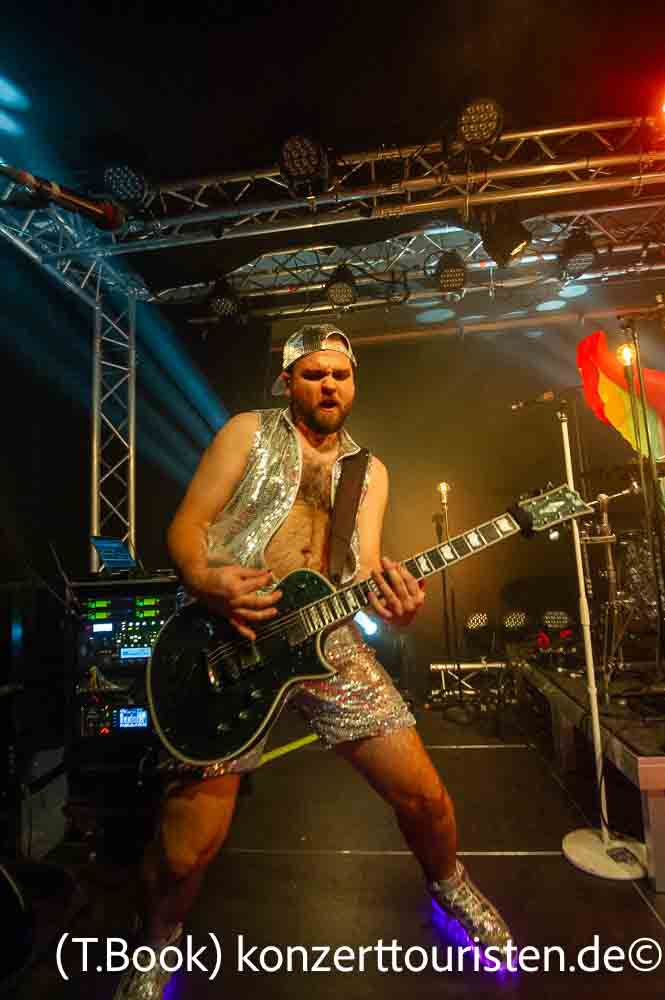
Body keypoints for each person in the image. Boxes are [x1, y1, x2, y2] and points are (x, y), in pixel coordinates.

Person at [113, 323, 513, 999]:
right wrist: (205, 580)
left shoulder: (369, 472)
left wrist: (396, 605)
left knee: (425, 797)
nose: (330, 385)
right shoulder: (246, 433)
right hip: (231, 635)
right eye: (314, 373)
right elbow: (187, 526)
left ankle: (451, 887)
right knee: (184, 852)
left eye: (341, 375)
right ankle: (158, 942)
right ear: (287, 381)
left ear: (353, 384)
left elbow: (361, 569)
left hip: (327, 643)